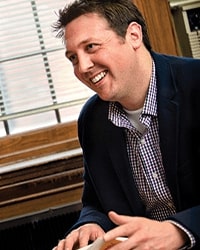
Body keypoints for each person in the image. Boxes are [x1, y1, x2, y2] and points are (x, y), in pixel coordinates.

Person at [52, 0, 200, 249]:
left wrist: (179, 230)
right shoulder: (92, 119)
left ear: (133, 35)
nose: (83, 67)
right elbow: (96, 202)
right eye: (73, 58)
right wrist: (89, 224)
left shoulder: (195, 84)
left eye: (91, 47)